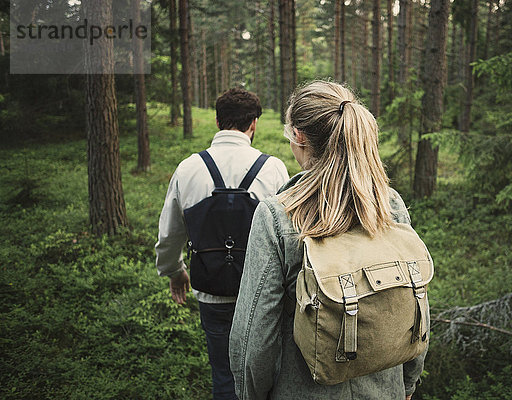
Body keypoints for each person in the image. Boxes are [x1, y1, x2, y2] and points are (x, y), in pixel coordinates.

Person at [229, 80, 428, 400]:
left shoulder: (278, 216)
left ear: (299, 137)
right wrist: (407, 384)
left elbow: (254, 337)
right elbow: (414, 302)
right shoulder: (388, 205)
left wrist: (249, 393)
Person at [155, 88, 289, 400]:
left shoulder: (188, 168)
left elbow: (170, 232)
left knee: (224, 376)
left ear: (217, 120)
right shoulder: (273, 168)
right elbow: (287, 235)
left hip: (212, 292)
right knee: (268, 375)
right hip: (263, 295)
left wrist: (174, 271)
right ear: (253, 123)